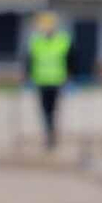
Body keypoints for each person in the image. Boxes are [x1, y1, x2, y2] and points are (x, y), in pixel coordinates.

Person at [25, 10, 71, 151]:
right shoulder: (36, 41)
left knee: (54, 109)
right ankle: (49, 134)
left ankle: (51, 134)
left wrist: (70, 76)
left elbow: (71, 59)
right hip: (41, 81)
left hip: (57, 81)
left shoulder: (63, 40)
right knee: (44, 110)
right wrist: (28, 76)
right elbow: (29, 60)